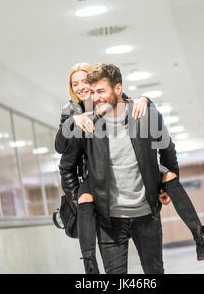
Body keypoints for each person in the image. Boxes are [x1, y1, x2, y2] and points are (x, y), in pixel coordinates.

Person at [59, 63, 204, 274]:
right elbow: (66, 168)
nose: (95, 98)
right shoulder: (86, 125)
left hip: (147, 215)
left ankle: (201, 238)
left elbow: (168, 151)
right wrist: (82, 204)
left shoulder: (144, 115)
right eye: (92, 93)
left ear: (118, 89)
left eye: (101, 91)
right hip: (110, 221)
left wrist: (165, 188)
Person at [55, 63, 150, 274]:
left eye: (84, 81)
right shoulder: (72, 110)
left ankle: (200, 236)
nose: (80, 87)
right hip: (92, 178)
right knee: (86, 199)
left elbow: (127, 97)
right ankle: (89, 264)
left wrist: (145, 99)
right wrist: (72, 121)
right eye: (75, 83)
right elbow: (62, 152)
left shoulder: (110, 102)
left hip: (123, 184)